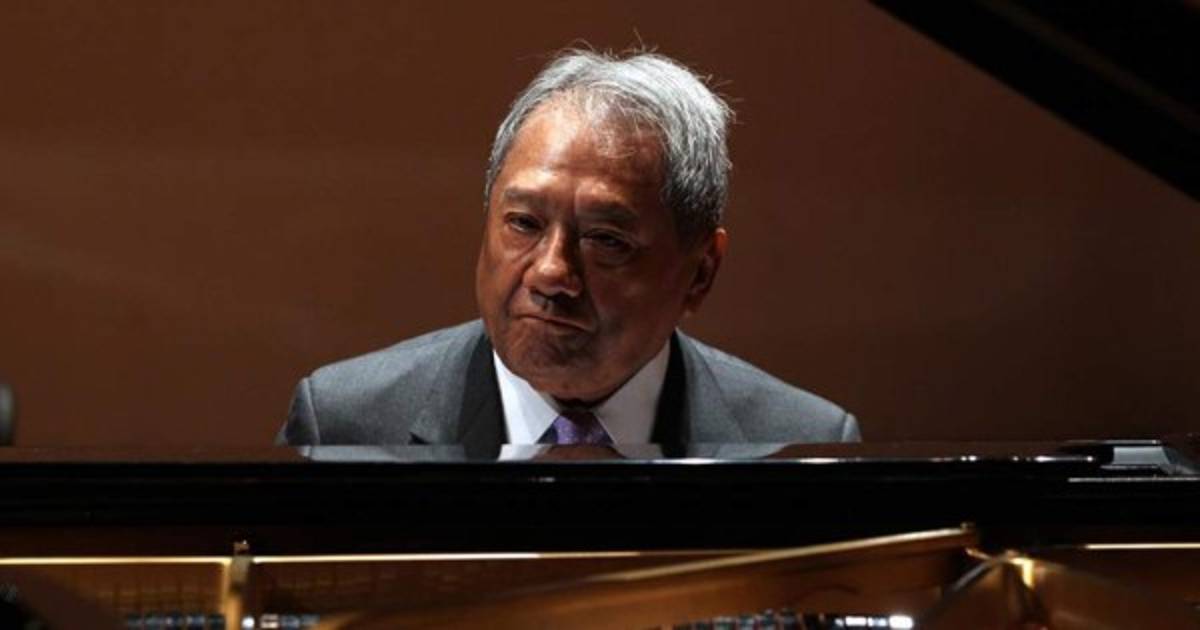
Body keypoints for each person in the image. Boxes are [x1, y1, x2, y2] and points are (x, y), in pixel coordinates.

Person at [277, 49, 859, 453]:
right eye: (524, 223)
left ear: (700, 273)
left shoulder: (803, 445)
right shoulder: (344, 426)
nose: (552, 272)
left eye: (606, 240)